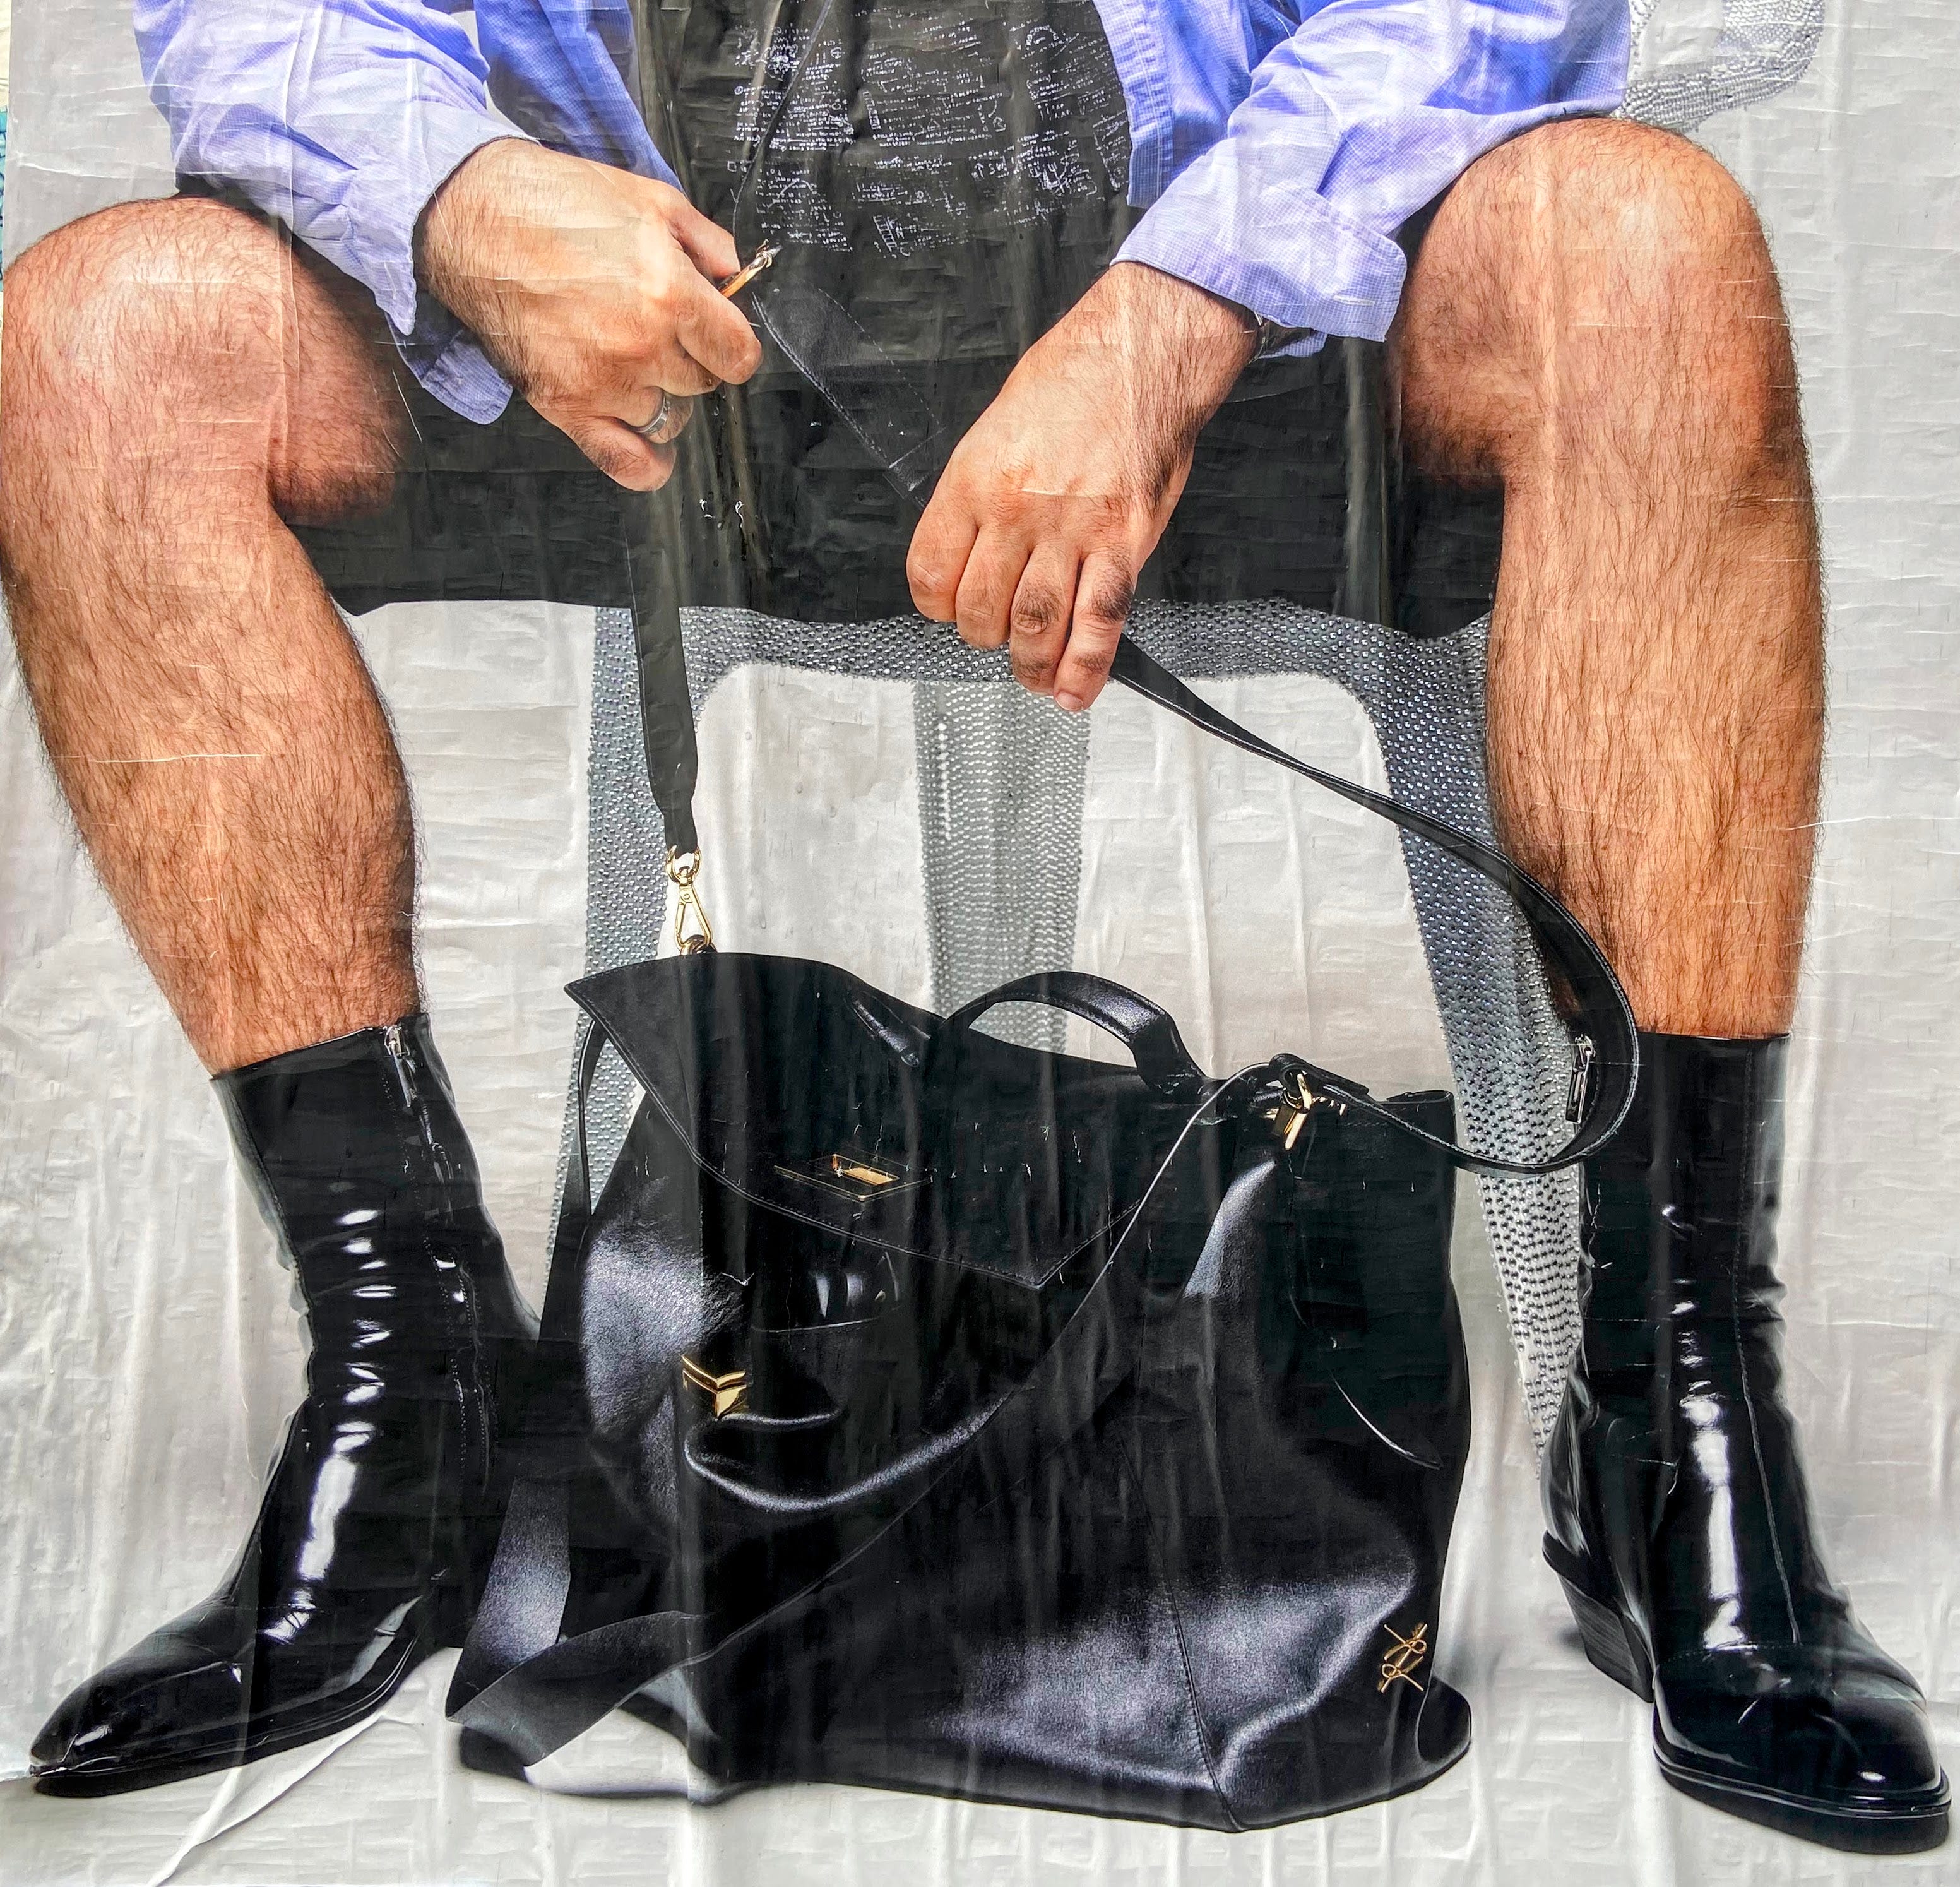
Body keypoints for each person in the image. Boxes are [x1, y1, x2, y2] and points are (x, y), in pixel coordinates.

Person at [0, 0, 1944, 1855]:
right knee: (105, 335)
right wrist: (462, 197)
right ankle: (409, 1405)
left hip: (1253, 330)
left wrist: (1179, 306)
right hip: (644, 356)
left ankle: (1671, 1414)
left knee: (1637, 246)